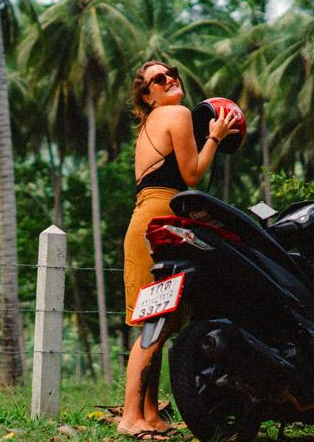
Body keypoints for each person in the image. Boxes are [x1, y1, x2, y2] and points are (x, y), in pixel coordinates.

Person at [117, 60, 239, 439]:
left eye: (171, 72)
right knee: (156, 320)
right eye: (158, 78)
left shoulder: (150, 126)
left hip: (147, 221)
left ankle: (150, 413)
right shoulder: (176, 113)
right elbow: (191, 175)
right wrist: (215, 136)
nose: (169, 79)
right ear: (147, 95)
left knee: (161, 320)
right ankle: (129, 417)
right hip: (158, 222)